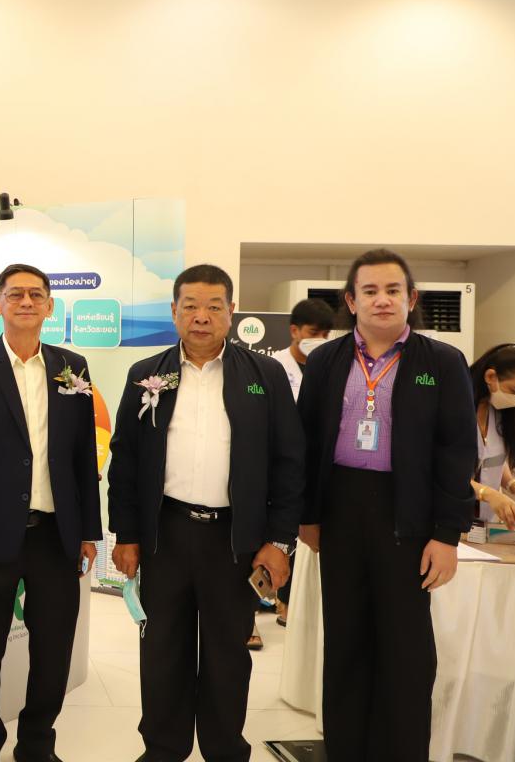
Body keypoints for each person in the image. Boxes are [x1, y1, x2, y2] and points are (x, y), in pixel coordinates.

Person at [107, 263, 304, 762]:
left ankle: (224, 750)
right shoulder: (146, 374)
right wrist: (126, 535)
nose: (202, 316)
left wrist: (279, 541)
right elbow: (124, 459)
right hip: (166, 534)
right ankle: (163, 749)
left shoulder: (265, 375)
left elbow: (289, 462)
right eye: (191, 306)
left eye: (214, 306)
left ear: (231, 312)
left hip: (234, 540)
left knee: (227, 654)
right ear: (174, 311)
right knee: (161, 652)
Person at [296, 248, 477, 761]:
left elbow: (457, 451)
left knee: (406, 648)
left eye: (393, 290)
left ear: (411, 298)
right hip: (341, 511)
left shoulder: (441, 362)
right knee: (346, 641)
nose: (382, 300)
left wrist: (446, 534)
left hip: (409, 515)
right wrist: (307, 515)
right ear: (351, 301)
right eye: (370, 291)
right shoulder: (326, 360)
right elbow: (306, 441)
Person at [0, 263, 101, 762]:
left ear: (50, 306)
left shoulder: (73, 367)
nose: (26, 302)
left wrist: (89, 532)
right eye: (15, 294)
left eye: (36, 294)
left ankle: (36, 742)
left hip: (56, 535)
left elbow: (83, 457)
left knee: (53, 648)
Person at [248, 297, 334, 650]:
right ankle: (249, 619)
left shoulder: (329, 368)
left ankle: (286, 604)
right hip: (272, 471)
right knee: (259, 545)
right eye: (314, 332)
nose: (320, 340)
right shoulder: (271, 368)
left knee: (299, 546)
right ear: (295, 330)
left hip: (312, 470)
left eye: (326, 334)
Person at [468, 344, 515, 528]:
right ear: (490, 377)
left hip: (485, 523)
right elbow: (443, 474)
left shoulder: (500, 413)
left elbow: (490, 458)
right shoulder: (456, 410)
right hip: (448, 520)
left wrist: (513, 485)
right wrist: (488, 494)